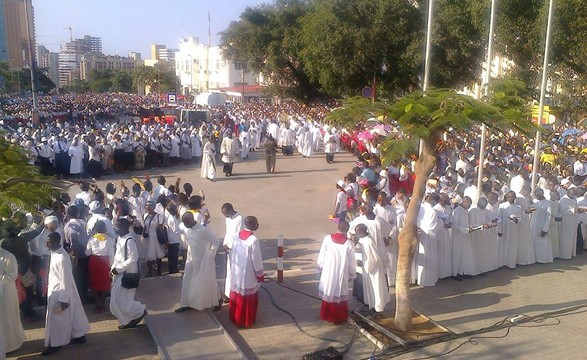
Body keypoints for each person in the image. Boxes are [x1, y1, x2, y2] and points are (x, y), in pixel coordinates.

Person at [42, 232, 90, 356]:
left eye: (49, 242)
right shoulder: (55, 252)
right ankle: (79, 336)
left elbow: (65, 279)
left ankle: (56, 343)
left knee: (58, 319)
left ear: (57, 242)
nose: (46, 244)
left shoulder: (62, 258)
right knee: (74, 313)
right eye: (46, 241)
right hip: (61, 289)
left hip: (61, 291)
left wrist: (63, 300)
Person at [175, 212, 222, 313]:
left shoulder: (203, 230)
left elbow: (216, 241)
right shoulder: (186, 228)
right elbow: (180, 228)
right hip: (191, 259)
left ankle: (218, 300)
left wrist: (210, 255)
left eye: (187, 222)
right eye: (184, 223)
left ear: (192, 220)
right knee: (188, 280)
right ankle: (187, 303)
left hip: (204, 260)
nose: (185, 225)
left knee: (207, 281)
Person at [110, 218, 147, 330]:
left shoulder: (130, 240)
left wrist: (119, 269)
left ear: (124, 227)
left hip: (127, 274)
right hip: (119, 273)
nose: (114, 228)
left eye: (117, 226)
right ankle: (128, 320)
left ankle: (140, 312)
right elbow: (118, 257)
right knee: (117, 300)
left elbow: (133, 258)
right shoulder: (120, 239)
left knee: (123, 300)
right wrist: (112, 269)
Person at [317, 220, 356, 324]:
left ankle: (327, 315)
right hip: (341, 273)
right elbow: (351, 262)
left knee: (329, 290)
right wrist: (351, 274)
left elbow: (322, 255)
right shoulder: (349, 243)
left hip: (328, 271)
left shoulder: (328, 239)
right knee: (339, 293)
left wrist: (320, 266)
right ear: (347, 230)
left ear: (338, 227)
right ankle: (339, 317)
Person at [229, 216, 264, 328]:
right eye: (257, 223)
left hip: (237, 271)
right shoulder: (253, 240)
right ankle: (245, 320)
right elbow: (256, 259)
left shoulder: (236, 236)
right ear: (252, 225)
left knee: (237, 293)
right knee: (247, 297)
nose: (258, 225)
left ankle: (234, 317)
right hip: (248, 273)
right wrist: (259, 274)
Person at [353, 224, 390, 314]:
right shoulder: (363, 240)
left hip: (374, 270)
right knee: (370, 289)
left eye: (357, 232)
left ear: (362, 231)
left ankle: (377, 308)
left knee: (376, 288)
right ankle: (371, 305)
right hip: (369, 269)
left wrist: (364, 263)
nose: (356, 234)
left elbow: (375, 258)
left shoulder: (369, 242)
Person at [0, 246, 26, 354]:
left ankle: (12, 344)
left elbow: (12, 274)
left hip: (6, 292)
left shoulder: (8, 256)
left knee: (8, 317)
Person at [85, 221, 115, 313]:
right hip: (104, 262)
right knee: (105, 284)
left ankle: (96, 306)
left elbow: (87, 253)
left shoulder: (91, 239)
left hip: (94, 262)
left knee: (94, 284)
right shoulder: (109, 240)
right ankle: (103, 305)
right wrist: (111, 266)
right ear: (105, 229)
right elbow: (111, 254)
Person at [221, 203, 243, 301]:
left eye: (226, 214)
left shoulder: (239, 219)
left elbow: (237, 235)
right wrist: (225, 244)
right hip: (228, 248)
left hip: (236, 248)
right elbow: (228, 232)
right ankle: (228, 293)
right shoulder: (228, 218)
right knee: (229, 271)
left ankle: (236, 293)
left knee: (236, 271)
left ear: (231, 210)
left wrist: (230, 246)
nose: (225, 216)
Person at [531, 188, 553, 263]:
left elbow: (548, 218)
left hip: (542, 226)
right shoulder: (534, 202)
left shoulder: (548, 203)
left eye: (537, 194)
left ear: (541, 194)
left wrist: (545, 229)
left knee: (542, 244)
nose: (536, 196)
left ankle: (542, 260)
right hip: (533, 226)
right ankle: (533, 259)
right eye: (535, 194)